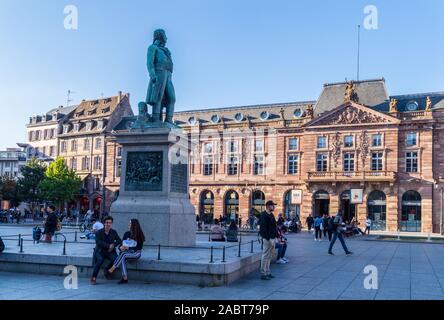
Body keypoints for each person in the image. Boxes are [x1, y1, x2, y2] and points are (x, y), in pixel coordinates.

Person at [108, 219, 145, 284]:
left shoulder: (139, 235)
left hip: (136, 253)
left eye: (130, 223)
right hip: (126, 252)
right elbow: (121, 244)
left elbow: (139, 247)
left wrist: (128, 247)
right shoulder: (126, 234)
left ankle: (112, 268)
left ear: (134, 225)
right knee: (122, 257)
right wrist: (120, 247)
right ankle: (125, 278)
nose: (128, 225)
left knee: (123, 255)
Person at [91, 216, 122, 285]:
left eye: (110, 223)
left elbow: (119, 240)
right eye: (107, 222)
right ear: (104, 223)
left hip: (110, 251)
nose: (108, 224)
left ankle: (107, 270)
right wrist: (108, 245)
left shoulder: (114, 232)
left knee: (116, 259)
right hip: (100, 251)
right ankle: (93, 277)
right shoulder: (99, 232)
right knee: (100, 260)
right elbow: (98, 242)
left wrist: (113, 244)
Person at [259, 201, 278, 280]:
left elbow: (274, 227)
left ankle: (267, 271)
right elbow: (263, 228)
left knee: (269, 256)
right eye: (272, 205)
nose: (274, 207)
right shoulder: (263, 215)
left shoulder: (271, 215)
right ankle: (263, 273)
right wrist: (267, 238)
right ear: (268, 206)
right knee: (265, 255)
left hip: (272, 238)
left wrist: (276, 236)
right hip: (267, 239)